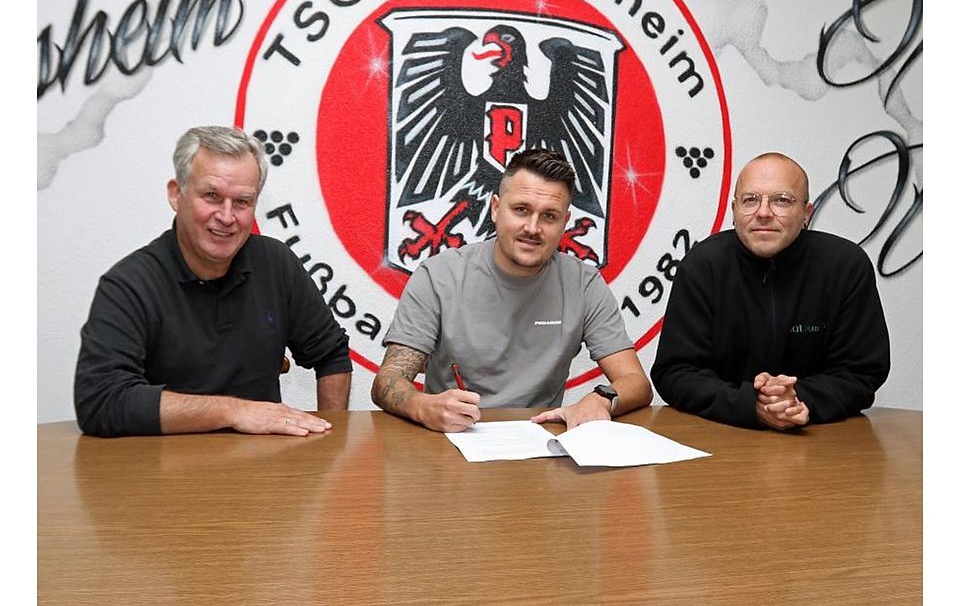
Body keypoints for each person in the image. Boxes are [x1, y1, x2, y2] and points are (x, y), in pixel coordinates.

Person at [74, 126, 352, 437]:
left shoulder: (277, 264)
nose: (226, 216)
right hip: (161, 475)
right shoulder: (128, 285)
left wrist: (330, 440)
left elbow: (331, 355)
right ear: (176, 194)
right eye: (211, 196)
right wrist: (236, 411)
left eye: (242, 202)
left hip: (266, 474)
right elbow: (100, 401)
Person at [371, 149, 653, 432]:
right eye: (521, 210)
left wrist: (601, 398)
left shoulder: (584, 283)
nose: (533, 228)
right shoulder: (438, 276)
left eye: (549, 216)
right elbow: (388, 381)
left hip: (541, 444)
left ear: (565, 223)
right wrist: (421, 406)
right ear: (495, 208)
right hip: (450, 443)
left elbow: (636, 382)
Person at [651, 152, 890, 430]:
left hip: (823, 438)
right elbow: (674, 373)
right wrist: (749, 405)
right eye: (751, 200)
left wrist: (798, 399)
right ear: (734, 210)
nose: (763, 213)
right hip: (722, 437)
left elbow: (862, 372)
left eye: (782, 200)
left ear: (806, 214)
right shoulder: (702, 266)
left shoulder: (846, 266)